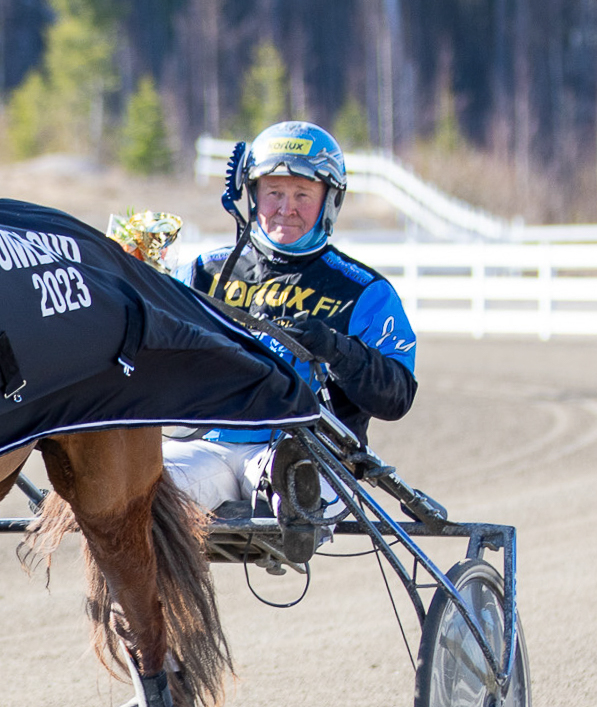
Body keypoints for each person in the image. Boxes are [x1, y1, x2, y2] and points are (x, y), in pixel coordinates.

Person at [162, 120, 418, 522]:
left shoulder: (364, 291)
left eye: (302, 194)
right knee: (139, 490)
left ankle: (291, 497)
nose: (286, 208)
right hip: (207, 448)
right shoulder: (202, 273)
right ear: (252, 195)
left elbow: (397, 397)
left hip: (310, 450)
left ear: (330, 201)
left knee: (294, 478)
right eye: (274, 193)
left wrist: (337, 349)